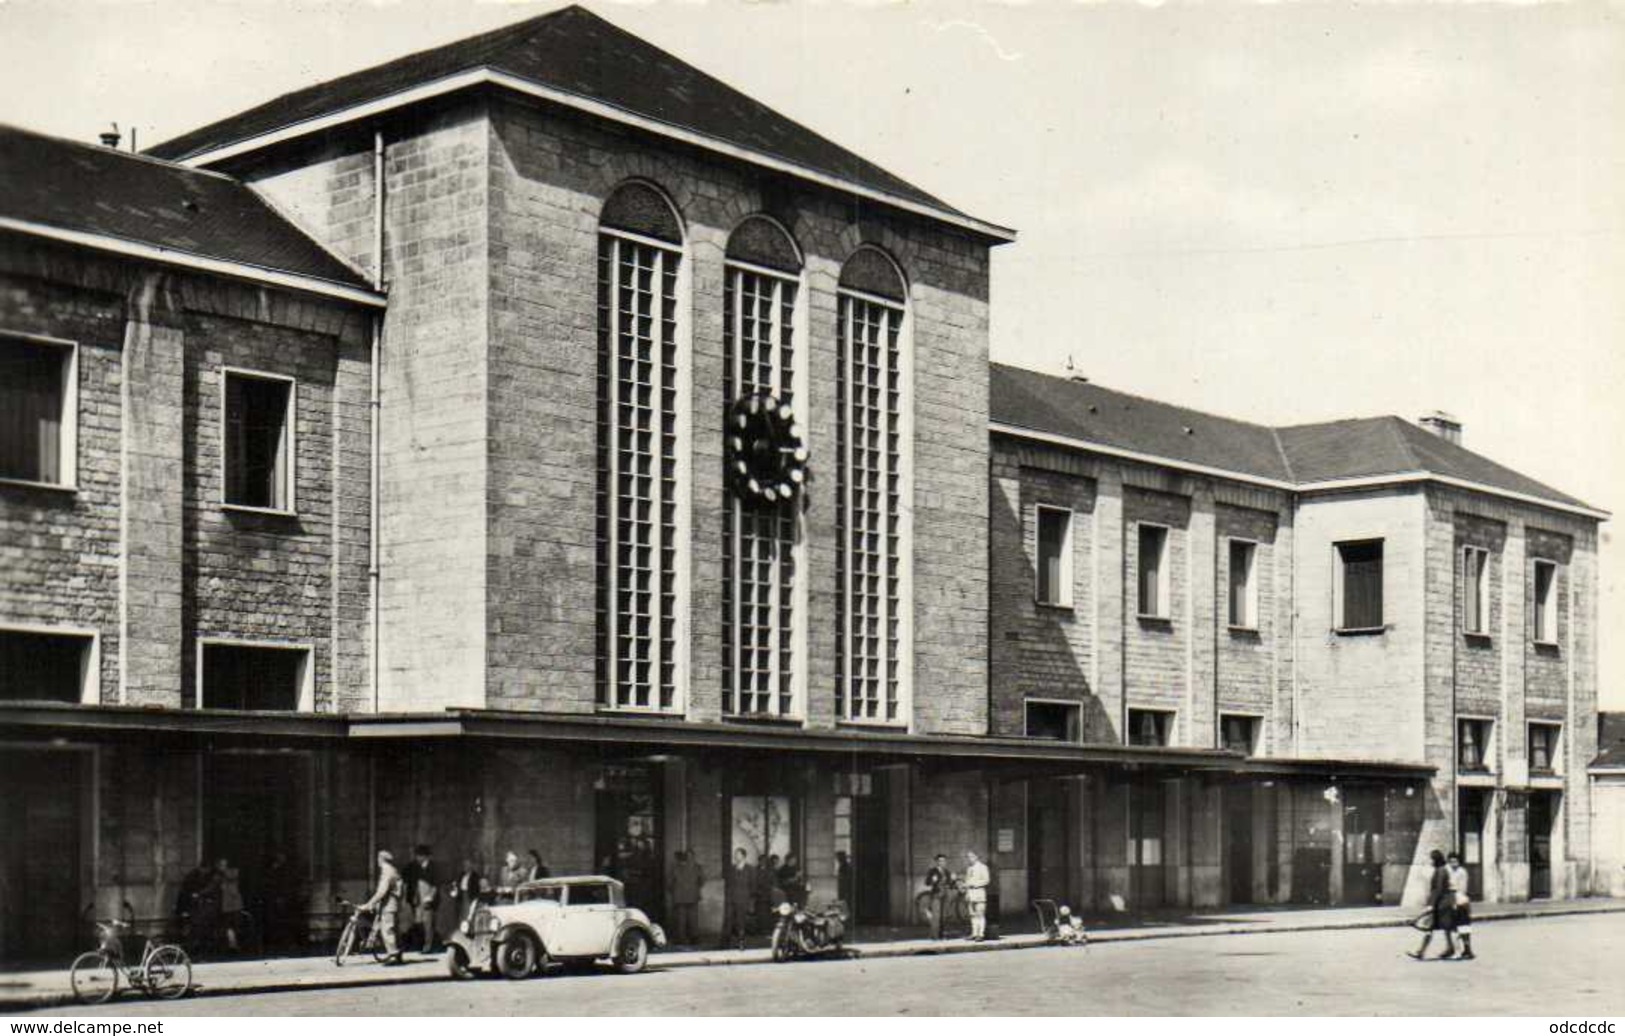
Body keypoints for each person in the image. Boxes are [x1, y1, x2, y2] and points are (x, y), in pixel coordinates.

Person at [1409, 849, 1455, 961]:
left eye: (1431, 859)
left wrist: (1431, 904)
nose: (1429, 861)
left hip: (1441, 903)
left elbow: (1437, 889)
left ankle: (1421, 951)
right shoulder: (1442, 870)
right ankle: (1450, 948)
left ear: (1435, 859)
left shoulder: (1440, 871)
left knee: (1430, 926)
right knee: (1445, 927)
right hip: (1445, 902)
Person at [362, 849, 404, 965]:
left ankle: (393, 955)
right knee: (394, 930)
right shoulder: (393, 870)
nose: (377, 861)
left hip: (388, 905)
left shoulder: (387, 872)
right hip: (393, 905)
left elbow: (381, 892)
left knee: (388, 930)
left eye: (378, 859)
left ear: (381, 860)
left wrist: (370, 903)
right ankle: (398, 954)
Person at [403, 844, 440, 954]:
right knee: (418, 922)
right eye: (417, 856)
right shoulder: (414, 867)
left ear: (425, 856)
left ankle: (428, 946)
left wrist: (430, 898)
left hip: (428, 899)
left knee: (428, 923)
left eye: (419, 856)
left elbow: (435, 885)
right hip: (417, 899)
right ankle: (421, 943)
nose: (417, 858)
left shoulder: (433, 867)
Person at [667, 849, 705, 947]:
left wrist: (674, 892)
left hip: (679, 897)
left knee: (681, 919)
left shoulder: (675, 868)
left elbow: (669, 883)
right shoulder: (697, 867)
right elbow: (702, 881)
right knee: (693, 919)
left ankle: (681, 939)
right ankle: (694, 938)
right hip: (693, 896)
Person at [722, 848, 756, 950]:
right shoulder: (732, 868)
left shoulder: (750, 869)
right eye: (735, 854)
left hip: (743, 899)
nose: (736, 856)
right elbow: (728, 883)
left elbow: (753, 886)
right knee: (728, 920)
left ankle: (741, 942)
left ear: (743, 856)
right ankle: (725, 943)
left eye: (738, 854)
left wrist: (750, 901)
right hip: (731, 899)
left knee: (741, 921)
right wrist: (727, 897)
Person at [1445, 851, 1476, 960]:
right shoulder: (1447, 870)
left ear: (1459, 862)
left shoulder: (1462, 872)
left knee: (1463, 927)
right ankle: (1458, 949)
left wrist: (1456, 901)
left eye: (1455, 861)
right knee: (1457, 927)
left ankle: (1467, 949)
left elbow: (1462, 889)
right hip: (1452, 899)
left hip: (1460, 900)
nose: (1453, 863)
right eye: (1451, 861)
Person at [922, 853, 952, 940]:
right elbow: (927, 883)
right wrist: (932, 880)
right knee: (936, 916)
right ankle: (935, 936)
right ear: (937, 862)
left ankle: (942, 935)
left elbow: (950, 884)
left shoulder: (947, 872)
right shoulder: (932, 871)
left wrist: (953, 880)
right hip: (936, 895)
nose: (942, 862)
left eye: (944, 861)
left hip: (945, 895)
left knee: (943, 916)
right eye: (940, 861)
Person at [216, 858, 244, 952]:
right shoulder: (219, 876)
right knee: (228, 926)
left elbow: (232, 880)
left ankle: (237, 945)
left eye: (223, 865)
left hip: (235, 904)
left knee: (236, 925)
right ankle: (231, 945)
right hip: (226, 905)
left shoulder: (233, 872)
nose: (221, 867)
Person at [448, 857, 485, 928]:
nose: (465, 867)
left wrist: (474, 899)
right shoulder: (461, 874)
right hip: (461, 896)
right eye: (464, 865)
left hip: (470, 896)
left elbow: (476, 889)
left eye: (467, 865)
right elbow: (456, 884)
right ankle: (461, 929)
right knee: (461, 914)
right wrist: (455, 889)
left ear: (471, 866)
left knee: (469, 914)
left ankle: (469, 929)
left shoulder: (475, 876)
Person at [963, 850, 991, 942]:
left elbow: (986, 880)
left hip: (979, 893)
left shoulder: (983, 867)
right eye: (968, 857)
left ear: (976, 856)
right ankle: (974, 933)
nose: (970, 859)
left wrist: (975, 884)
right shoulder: (969, 868)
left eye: (971, 856)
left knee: (980, 914)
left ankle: (981, 934)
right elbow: (967, 881)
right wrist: (967, 892)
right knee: (972, 915)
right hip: (971, 894)